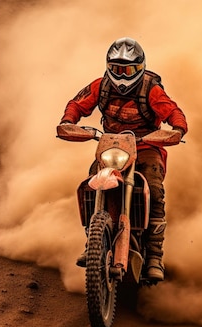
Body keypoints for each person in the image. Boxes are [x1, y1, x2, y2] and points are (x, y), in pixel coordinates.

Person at [59, 37, 188, 281]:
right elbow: (77, 104)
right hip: (111, 145)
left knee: (155, 189)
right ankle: (93, 244)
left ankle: (154, 257)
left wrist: (178, 129)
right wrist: (68, 121)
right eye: (117, 69)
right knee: (91, 183)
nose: (122, 75)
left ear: (140, 68)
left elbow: (173, 112)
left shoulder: (151, 90)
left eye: (128, 69)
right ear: (108, 66)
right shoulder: (101, 85)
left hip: (147, 145)